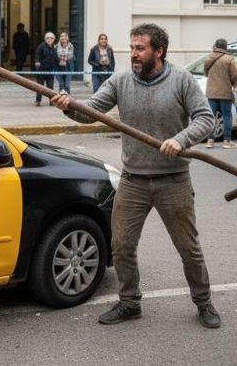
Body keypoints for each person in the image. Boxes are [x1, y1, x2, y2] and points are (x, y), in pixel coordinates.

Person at [50, 23, 219, 329]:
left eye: (140, 49)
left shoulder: (181, 80)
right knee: (122, 246)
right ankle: (129, 303)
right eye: (131, 48)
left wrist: (180, 140)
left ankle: (204, 302)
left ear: (159, 51)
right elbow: (90, 112)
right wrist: (67, 107)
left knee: (188, 248)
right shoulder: (122, 80)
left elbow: (205, 118)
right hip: (133, 180)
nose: (134, 54)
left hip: (173, 180)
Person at [203, 38, 237, 149]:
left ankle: (210, 141)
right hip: (224, 92)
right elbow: (234, 75)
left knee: (211, 117)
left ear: (216, 46)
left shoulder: (209, 58)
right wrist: (234, 84)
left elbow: (205, 73)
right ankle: (227, 141)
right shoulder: (229, 59)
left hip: (211, 92)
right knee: (227, 116)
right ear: (225, 46)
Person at [33, 32, 57, 106]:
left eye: (51, 38)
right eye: (47, 38)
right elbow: (37, 54)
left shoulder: (54, 47)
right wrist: (37, 62)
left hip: (50, 69)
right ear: (45, 39)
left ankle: (51, 100)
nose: (49, 39)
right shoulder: (41, 46)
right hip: (41, 69)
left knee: (50, 86)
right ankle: (38, 100)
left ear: (54, 39)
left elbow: (56, 57)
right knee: (40, 86)